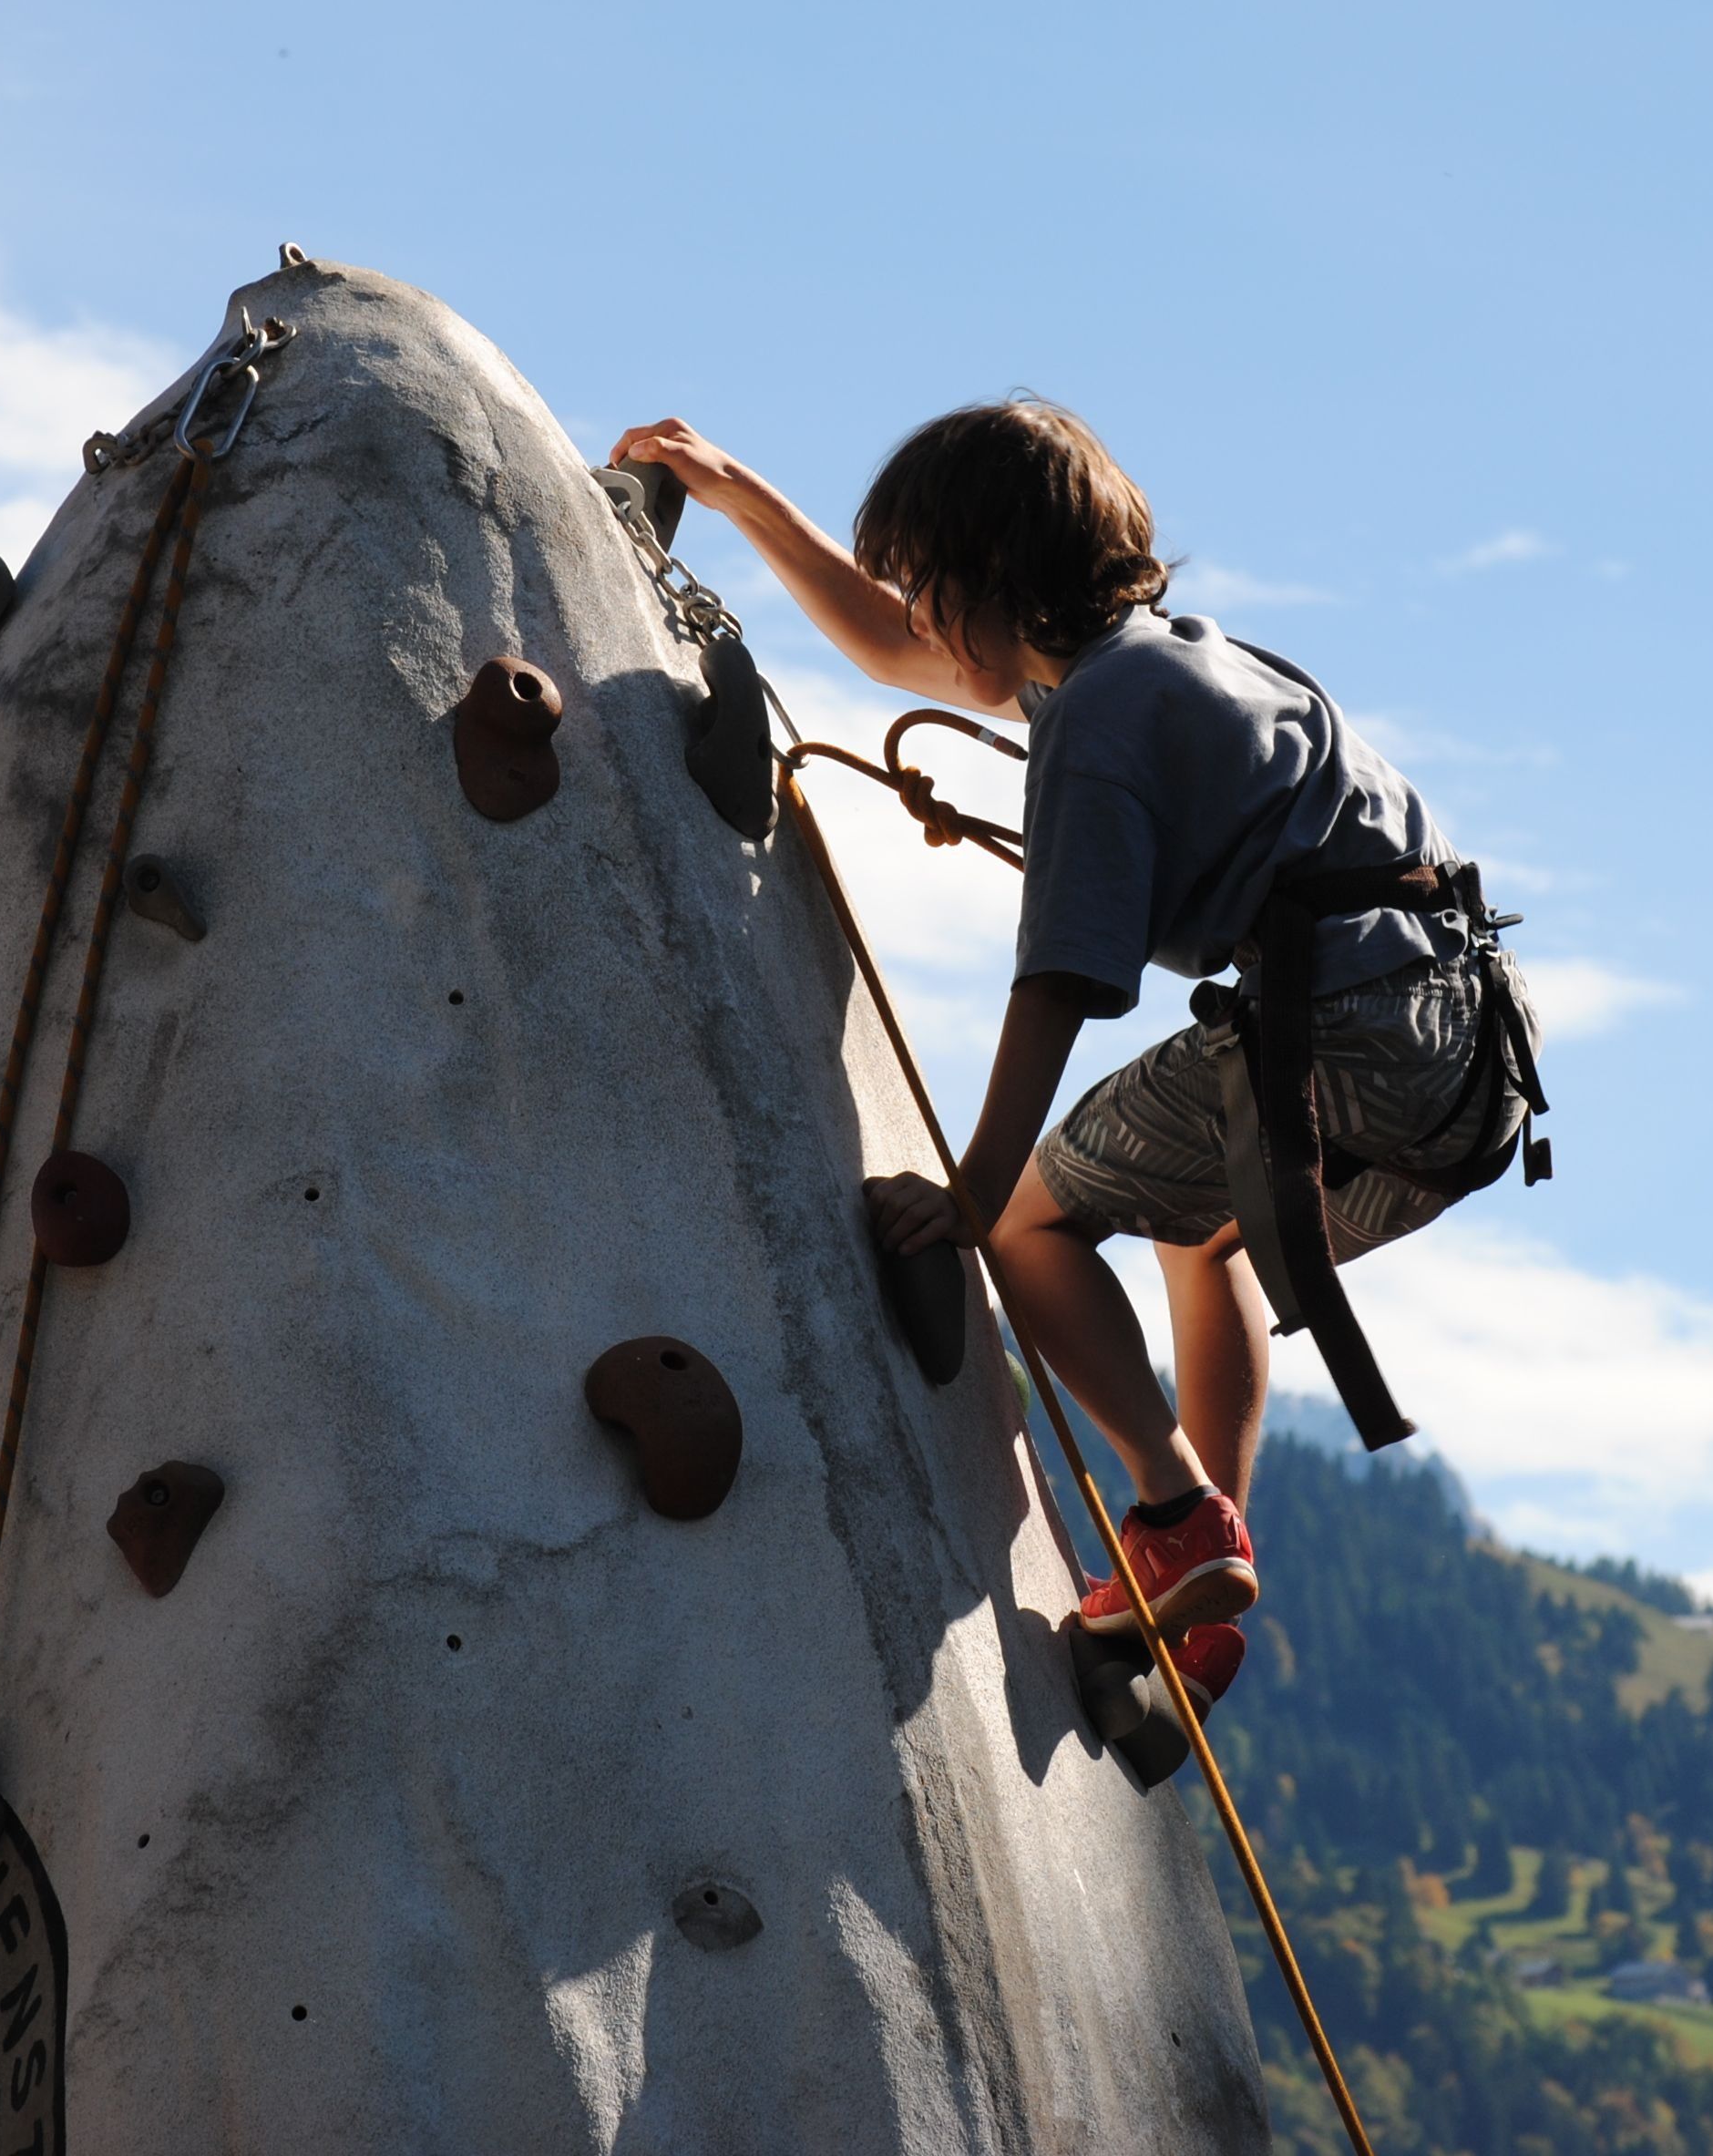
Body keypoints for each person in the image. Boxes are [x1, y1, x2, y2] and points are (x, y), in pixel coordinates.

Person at [608, 399, 1532, 1701]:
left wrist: (976, 1192)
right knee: (1199, 1232)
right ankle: (1201, 1587)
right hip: (1464, 1059)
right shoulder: (1178, 661)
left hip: (1342, 1032)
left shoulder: (1099, 720)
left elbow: (1061, 980)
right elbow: (885, 644)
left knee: (1039, 1225)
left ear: (996, 581)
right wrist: (741, 494)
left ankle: (1175, 1518)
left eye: (930, 587)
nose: (915, 614)